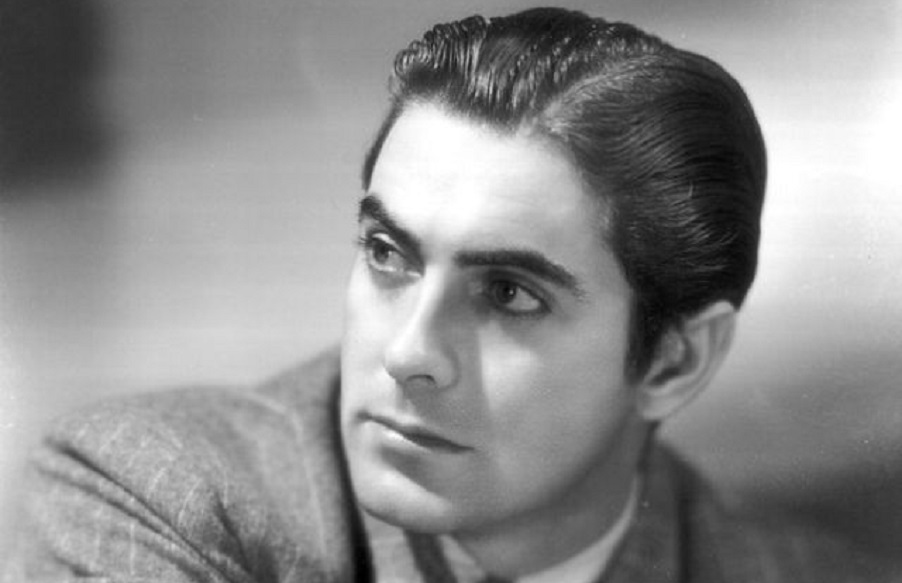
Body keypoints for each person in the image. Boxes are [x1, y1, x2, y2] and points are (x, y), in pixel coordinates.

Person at [4, 7, 887, 583]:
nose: (408, 353)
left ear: (673, 360)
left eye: (508, 292)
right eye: (387, 254)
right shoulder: (154, 496)